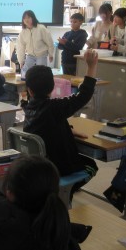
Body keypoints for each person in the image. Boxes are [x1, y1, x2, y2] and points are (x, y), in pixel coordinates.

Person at [23, 49, 99, 181]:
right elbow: (83, 95)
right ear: (52, 87)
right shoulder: (54, 108)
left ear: (29, 90)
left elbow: (46, 126)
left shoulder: (28, 107)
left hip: (38, 167)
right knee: (91, 166)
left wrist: (68, 129)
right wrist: (91, 66)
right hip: (58, 169)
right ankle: (65, 191)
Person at [16, 10, 55, 79]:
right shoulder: (23, 32)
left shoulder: (41, 28)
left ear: (33, 18)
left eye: (28, 17)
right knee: (24, 72)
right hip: (30, 55)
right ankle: (26, 83)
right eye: (24, 18)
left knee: (41, 73)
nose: (26, 20)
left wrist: (51, 54)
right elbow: (20, 47)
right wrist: (21, 61)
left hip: (41, 54)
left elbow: (49, 42)